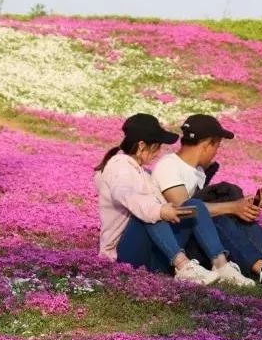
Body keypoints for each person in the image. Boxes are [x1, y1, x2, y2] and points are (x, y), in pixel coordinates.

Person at [95, 114, 250, 285]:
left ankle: (221, 265)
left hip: (149, 254)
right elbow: (125, 195)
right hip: (123, 255)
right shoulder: (119, 166)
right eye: (157, 146)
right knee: (153, 213)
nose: (159, 152)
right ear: (141, 145)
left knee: (193, 205)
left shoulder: (141, 173)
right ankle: (183, 266)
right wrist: (160, 211)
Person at [154, 115, 262, 288]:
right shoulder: (169, 166)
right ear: (207, 144)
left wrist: (246, 204)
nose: (216, 152)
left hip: (196, 239)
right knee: (221, 218)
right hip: (176, 249)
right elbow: (185, 208)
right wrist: (233, 207)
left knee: (231, 213)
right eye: (217, 146)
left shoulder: (196, 171)